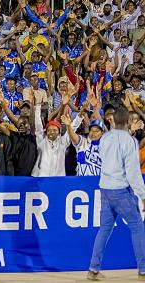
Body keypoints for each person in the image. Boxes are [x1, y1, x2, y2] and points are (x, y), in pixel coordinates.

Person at [87, 107, 145, 281]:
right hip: (120, 190)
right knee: (137, 227)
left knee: (104, 229)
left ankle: (93, 269)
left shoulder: (105, 138)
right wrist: (143, 195)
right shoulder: (130, 141)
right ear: (128, 121)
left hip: (105, 189)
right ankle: (143, 270)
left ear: (113, 120)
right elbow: (133, 172)